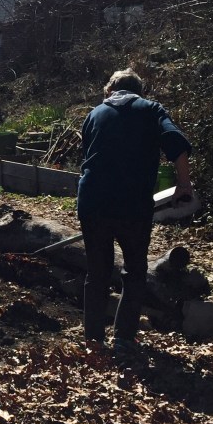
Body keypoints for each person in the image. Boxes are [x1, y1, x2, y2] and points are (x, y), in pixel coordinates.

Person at [77, 69, 193, 349]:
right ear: (140, 91)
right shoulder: (151, 109)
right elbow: (175, 143)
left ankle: (93, 337)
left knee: (97, 272)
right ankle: (124, 338)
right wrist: (183, 184)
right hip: (132, 205)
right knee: (134, 271)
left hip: (93, 202)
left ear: (110, 91)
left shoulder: (94, 114)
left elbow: (88, 156)